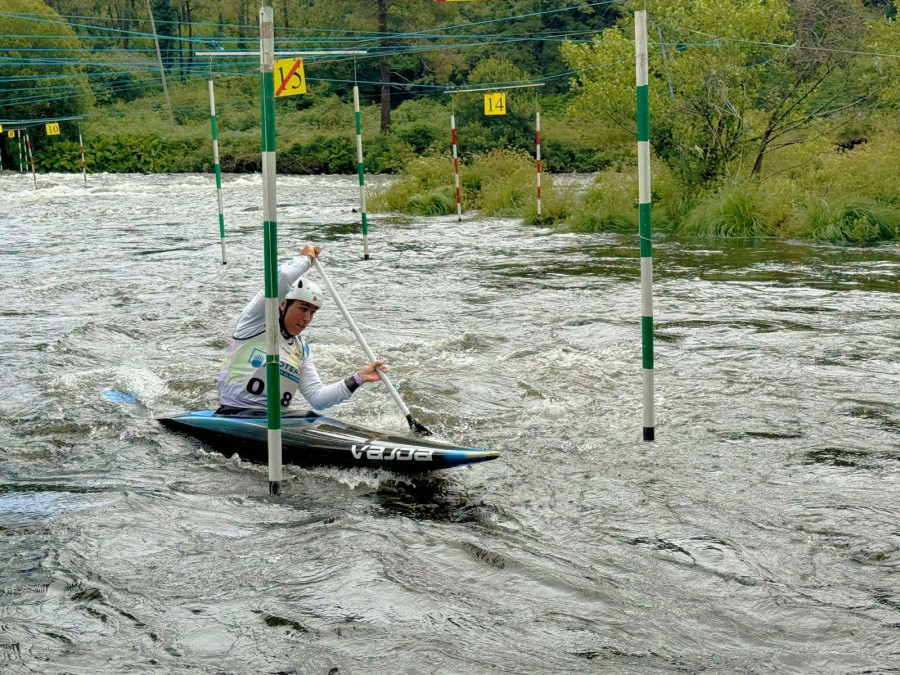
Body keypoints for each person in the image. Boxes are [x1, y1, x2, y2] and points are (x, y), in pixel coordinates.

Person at [216, 243, 384, 416]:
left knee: (312, 415)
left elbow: (317, 398)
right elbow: (282, 277)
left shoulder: (301, 349)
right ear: (282, 304)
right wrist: (306, 259)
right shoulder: (255, 323)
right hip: (234, 414)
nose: (307, 319)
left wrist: (358, 378)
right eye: (303, 309)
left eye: (312, 312)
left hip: (276, 420)